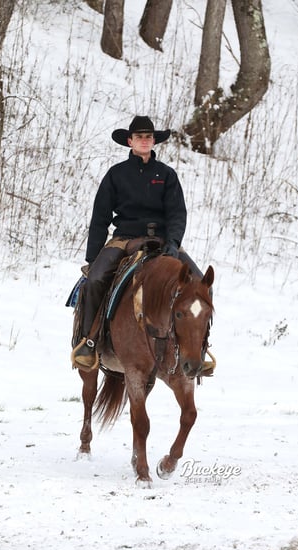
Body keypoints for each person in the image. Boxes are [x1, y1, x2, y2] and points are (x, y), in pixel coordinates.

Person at [71, 115, 211, 373]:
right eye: (139, 137)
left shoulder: (167, 175)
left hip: (162, 241)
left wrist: (173, 243)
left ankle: (199, 348)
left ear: (153, 141)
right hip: (125, 239)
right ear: (130, 141)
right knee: (95, 279)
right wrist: (93, 258)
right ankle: (88, 342)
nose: (144, 141)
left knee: (202, 284)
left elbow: (177, 214)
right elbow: (100, 217)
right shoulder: (116, 175)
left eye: (148, 137)